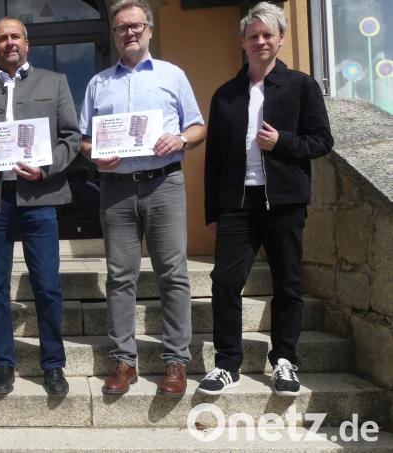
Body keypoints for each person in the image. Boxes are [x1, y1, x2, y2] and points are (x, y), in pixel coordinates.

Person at [198, 1, 333, 397]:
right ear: (242, 40)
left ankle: (285, 361)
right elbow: (214, 160)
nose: (260, 41)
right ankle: (227, 364)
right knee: (224, 281)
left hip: (285, 202)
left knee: (287, 284)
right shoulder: (226, 95)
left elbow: (322, 141)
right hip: (238, 204)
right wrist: (213, 210)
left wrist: (282, 143)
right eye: (253, 35)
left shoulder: (301, 86)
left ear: (280, 40)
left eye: (267, 35)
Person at [78, 0, 206, 397]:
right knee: (119, 276)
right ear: (114, 36)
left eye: (136, 26)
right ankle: (124, 360)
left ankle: (175, 362)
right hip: (115, 189)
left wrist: (181, 138)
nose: (129, 33)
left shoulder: (172, 75)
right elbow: (84, 139)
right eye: (121, 28)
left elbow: (199, 126)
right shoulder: (99, 83)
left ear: (149, 29)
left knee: (173, 273)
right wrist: (93, 153)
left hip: (163, 183)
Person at [0, 17, 80, 395]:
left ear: (28, 42)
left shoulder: (55, 83)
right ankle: (4, 363)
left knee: (47, 285)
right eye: (1, 38)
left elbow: (71, 138)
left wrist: (45, 168)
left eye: (15, 37)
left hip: (40, 197)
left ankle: (53, 364)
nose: (9, 43)